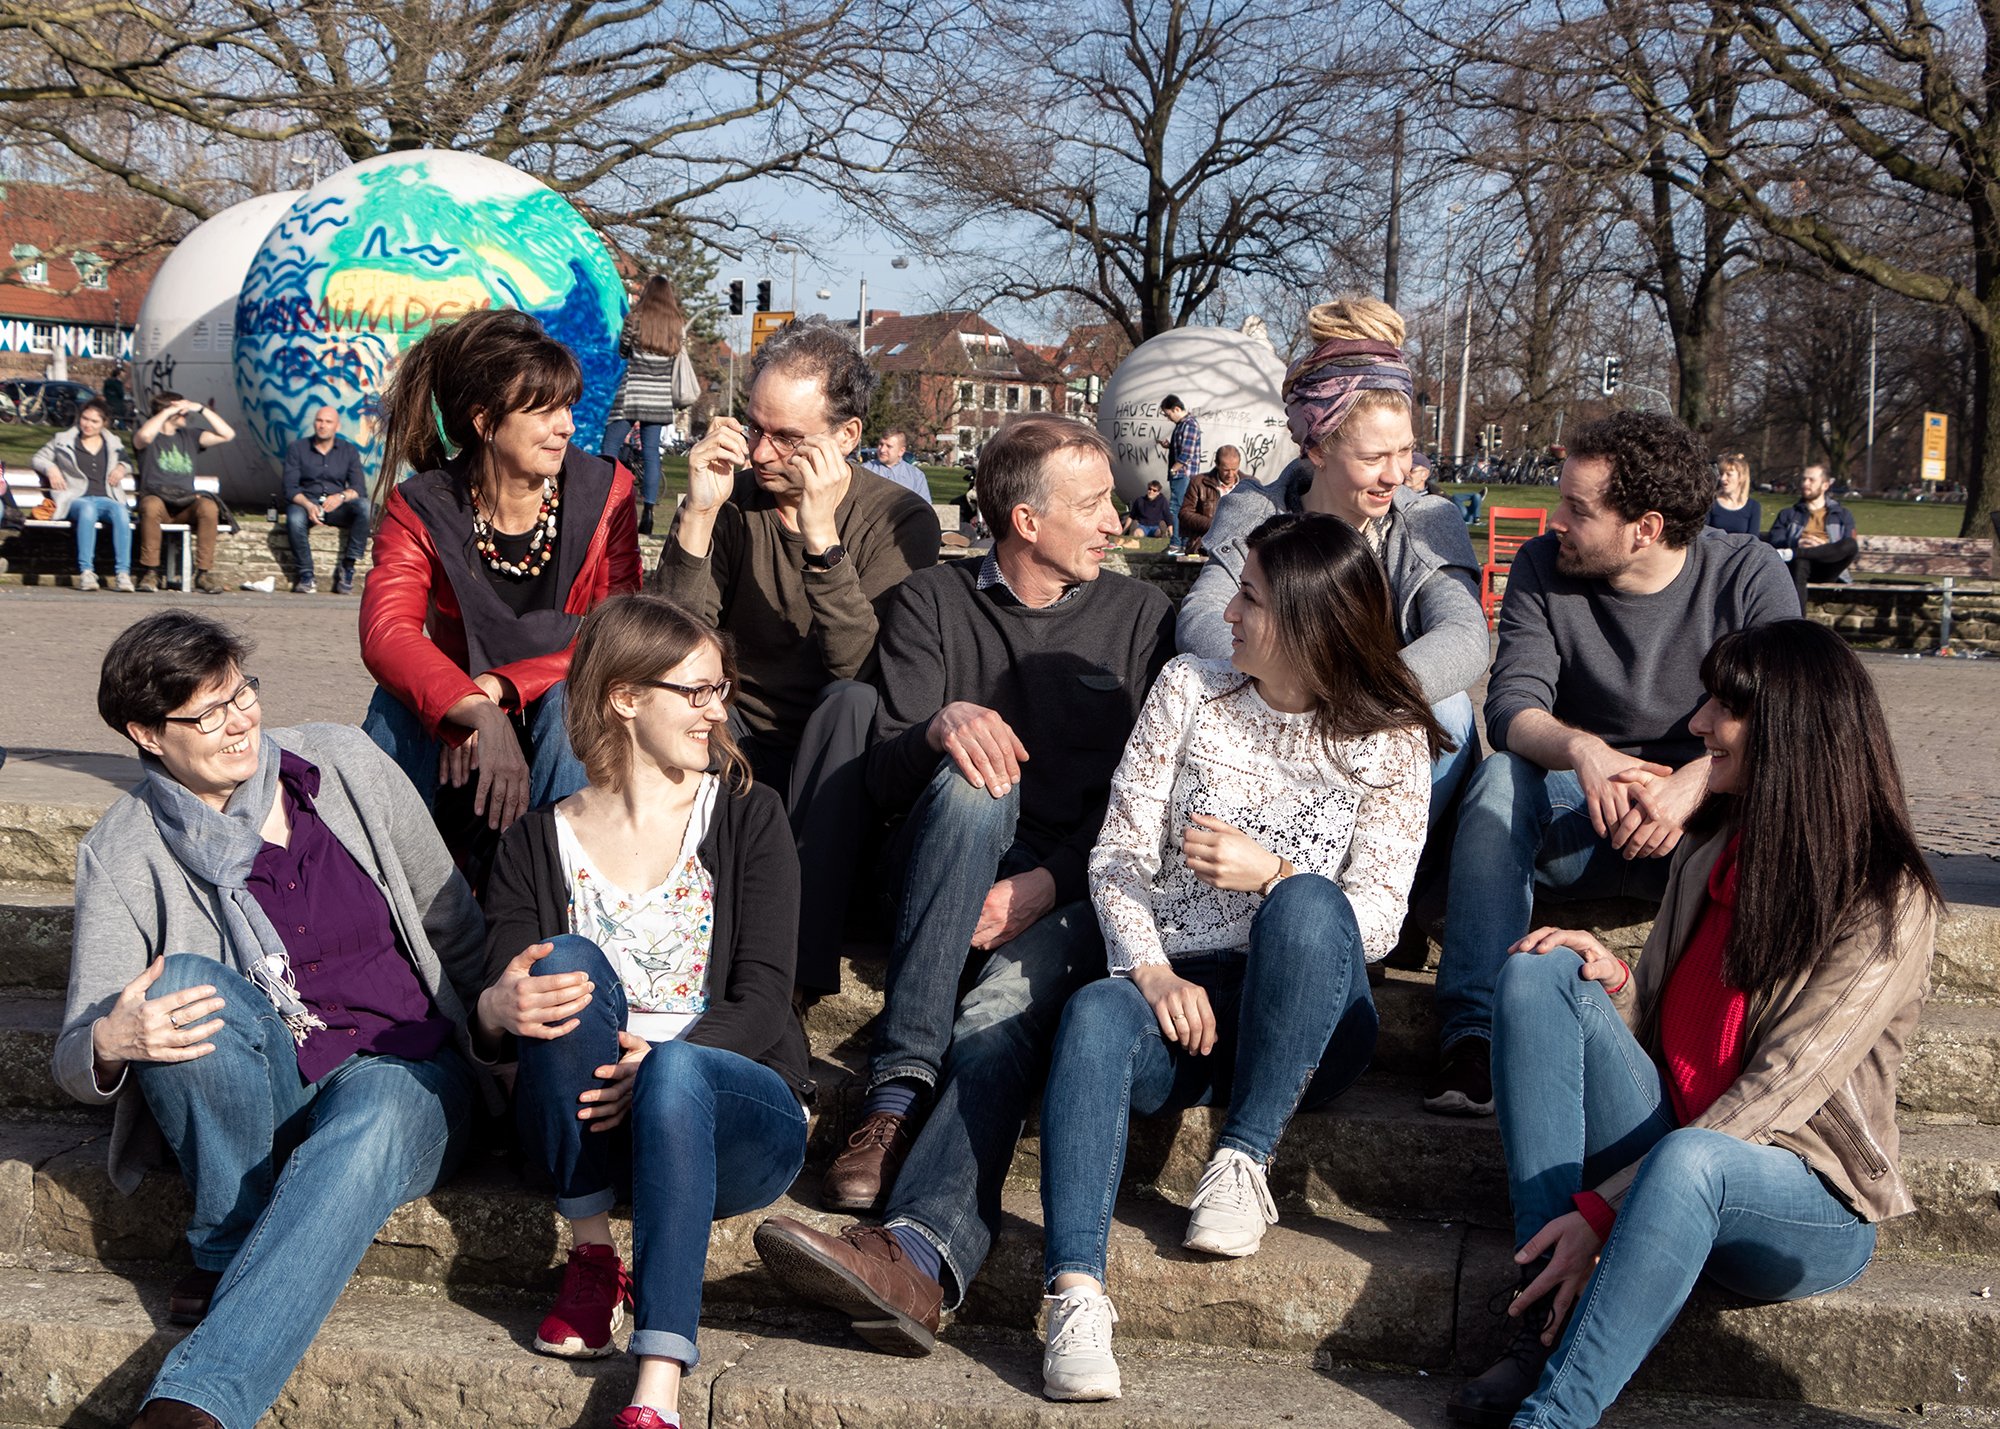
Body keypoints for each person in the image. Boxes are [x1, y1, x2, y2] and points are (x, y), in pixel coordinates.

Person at [751, 414, 1176, 1354]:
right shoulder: (933, 601)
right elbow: (885, 776)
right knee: (979, 774)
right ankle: (899, 1088)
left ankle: (916, 1251)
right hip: (934, 860)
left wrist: (1047, 887)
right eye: (1094, 502)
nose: (1118, 521)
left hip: (1074, 892)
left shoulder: (1140, 618)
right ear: (1024, 520)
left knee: (994, 1023)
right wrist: (939, 724)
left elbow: (1144, 803)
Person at [1447, 620, 1940, 1429]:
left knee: (1694, 1158)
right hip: (1673, 1139)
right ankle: (1540, 1312)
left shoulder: (1886, 899)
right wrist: (1610, 983)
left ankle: (1554, 1416)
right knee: (1540, 971)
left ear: (1792, 726)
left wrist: (1605, 1206)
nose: (1699, 723)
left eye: (1724, 708)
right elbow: (1666, 1020)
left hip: (1802, 1189)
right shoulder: (1713, 845)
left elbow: (1780, 1088)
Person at [1037, 512, 1441, 1401]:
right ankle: (1075, 1292)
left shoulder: (1392, 738)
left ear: (1305, 619)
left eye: (1249, 598)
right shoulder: (1188, 689)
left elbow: (1376, 920)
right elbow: (1116, 857)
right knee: (1095, 1013)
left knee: (1304, 903)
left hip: (1309, 1013)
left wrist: (1273, 871)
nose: (1225, 614)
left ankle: (1243, 1159)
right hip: (1183, 993)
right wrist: (1149, 967)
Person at [52, 610, 490, 1429]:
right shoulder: (123, 848)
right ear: (148, 734)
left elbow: (454, 925)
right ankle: (240, 1231)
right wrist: (112, 1040)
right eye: (206, 713)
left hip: (407, 1070)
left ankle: (192, 1403)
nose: (238, 722)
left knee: (372, 1117)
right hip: (264, 1099)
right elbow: (77, 1049)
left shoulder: (345, 765)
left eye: (240, 693)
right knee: (181, 982)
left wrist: (509, 1072)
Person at [478, 594, 809, 1429]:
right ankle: (593, 1256)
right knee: (559, 965)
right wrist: (494, 1003)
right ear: (625, 697)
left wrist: (660, 1062)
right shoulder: (533, 840)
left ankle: (657, 1383)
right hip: (588, 1126)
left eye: (719, 689)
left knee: (676, 1072)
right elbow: (496, 1002)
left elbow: (767, 998)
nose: (716, 709)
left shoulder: (749, 815)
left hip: (731, 1114)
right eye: (694, 691)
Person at [1426, 411, 1798, 1118]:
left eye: (1577, 508)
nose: (1554, 519)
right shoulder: (1543, 565)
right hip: (1582, 813)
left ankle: (1740, 1045)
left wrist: (1700, 780)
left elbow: (1793, 709)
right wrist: (1585, 751)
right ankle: (1471, 1034)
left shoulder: (1746, 574)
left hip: (1708, 826)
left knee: (1783, 799)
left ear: (1646, 528)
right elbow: (1511, 706)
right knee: (1500, 781)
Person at [649, 315, 939, 998]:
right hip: (737, 738)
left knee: (851, 703)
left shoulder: (899, 521)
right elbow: (667, 647)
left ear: (846, 437)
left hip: (839, 768)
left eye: (786, 437)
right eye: (754, 426)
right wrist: (695, 515)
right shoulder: (733, 499)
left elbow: (865, 673)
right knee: (661, 694)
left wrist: (820, 540)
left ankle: (790, 983)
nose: (759, 452)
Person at [1179, 296, 1486, 858]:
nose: (1396, 474)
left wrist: (1349, 693)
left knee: (1449, 711)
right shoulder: (1258, 512)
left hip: (1374, 736)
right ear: (1317, 448)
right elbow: (1202, 618)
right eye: (1373, 458)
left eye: (1406, 451)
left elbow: (1465, 639)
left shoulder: (1426, 521)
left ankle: (1378, 883)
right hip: (1275, 735)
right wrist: (1297, 686)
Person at [360, 308, 642, 882]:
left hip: (561, 722)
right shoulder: (421, 506)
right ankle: (379, 902)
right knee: (393, 709)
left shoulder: (605, 493)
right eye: (543, 411)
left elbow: (619, 633)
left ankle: (553, 906)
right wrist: (472, 708)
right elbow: (387, 634)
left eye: (567, 406)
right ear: (485, 421)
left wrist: (502, 687)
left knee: (569, 704)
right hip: (459, 725)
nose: (566, 426)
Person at [603, 276, 701, 536]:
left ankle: (604, 499)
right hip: (659, 397)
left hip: (633, 391)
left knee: (610, 444)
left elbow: (623, 351)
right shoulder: (675, 325)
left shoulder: (635, 320)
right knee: (650, 454)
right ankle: (648, 512)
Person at [132, 392, 235, 594]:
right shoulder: (148, 436)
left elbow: (227, 435)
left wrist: (202, 409)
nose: (186, 416)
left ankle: (203, 574)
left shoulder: (191, 436)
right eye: (182, 413)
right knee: (151, 505)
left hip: (185, 503)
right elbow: (143, 437)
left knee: (208, 507)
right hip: (158, 501)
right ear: (168, 412)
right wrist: (170, 410)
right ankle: (151, 572)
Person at [31, 398, 134, 592]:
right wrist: (51, 468)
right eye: (85, 419)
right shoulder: (63, 440)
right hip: (75, 498)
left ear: (104, 423)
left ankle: (123, 574)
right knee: (87, 509)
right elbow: (38, 458)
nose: (88, 424)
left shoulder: (113, 442)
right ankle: (86, 572)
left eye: (94, 421)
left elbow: (127, 462)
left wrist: (121, 468)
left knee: (120, 511)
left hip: (106, 498)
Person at [281, 406, 372, 595]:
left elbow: (359, 489)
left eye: (328, 422)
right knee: (294, 518)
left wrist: (340, 497)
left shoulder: (348, 451)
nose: (322, 426)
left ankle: (348, 566)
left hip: (337, 505)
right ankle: (306, 575)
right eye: (319, 420)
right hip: (306, 502)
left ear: (337, 426)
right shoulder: (297, 448)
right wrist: (307, 504)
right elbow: (290, 489)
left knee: (366, 507)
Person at [1766, 463, 1858, 604]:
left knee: (1851, 544)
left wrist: (1824, 546)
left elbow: (1847, 547)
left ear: (1825, 485)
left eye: (1811, 480)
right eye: (1803, 479)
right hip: (1798, 567)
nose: (1805, 483)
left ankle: (1795, 552)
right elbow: (1775, 540)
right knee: (1801, 562)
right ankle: (1798, 623)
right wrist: (1798, 543)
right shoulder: (1788, 514)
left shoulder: (1842, 515)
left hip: (1829, 567)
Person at [1176, 443, 1243, 556]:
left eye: (1234, 469)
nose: (1230, 474)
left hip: (1238, 548)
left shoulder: (1250, 485)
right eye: (1226, 470)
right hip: (1203, 546)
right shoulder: (1198, 483)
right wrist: (1214, 524)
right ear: (1217, 464)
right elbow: (1185, 514)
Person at [1158, 394, 1201, 554]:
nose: (1168, 418)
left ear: (1176, 409)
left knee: (1176, 508)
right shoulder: (1183, 425)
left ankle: (1176, 543)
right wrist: (1170, 446)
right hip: (1182, 474)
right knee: (1182, 508)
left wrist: (1173, 469)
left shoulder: (1189, 425)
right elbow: (1184, 447)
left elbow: (1187, 454)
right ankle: (1182, 543)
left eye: (1168, 414)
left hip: (1183, 475)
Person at [865, 428, 934, 503]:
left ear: (901, 451)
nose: (882, 450)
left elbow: (925, 508)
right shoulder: (865, 471)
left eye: (889, 446)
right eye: (881, 444)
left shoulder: (916, 476)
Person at [1705, 452, 1761, 537]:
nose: (1723, 479)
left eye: (1729, 474)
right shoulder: (1712, 503)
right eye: (1721, 474)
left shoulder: (1753, 507)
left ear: (1741, 478)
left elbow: (1754, 540)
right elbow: (1704, 535)